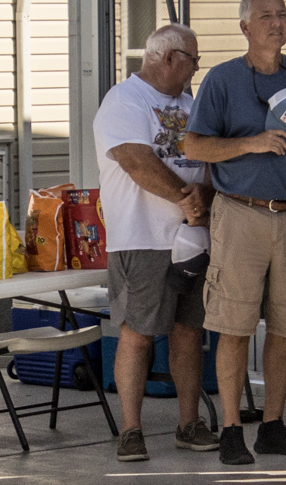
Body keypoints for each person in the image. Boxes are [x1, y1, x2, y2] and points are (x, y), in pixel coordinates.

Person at [182, 0, 286, 467]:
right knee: (233, 325)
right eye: (266, 16)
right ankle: (231, 428)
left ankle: (273, 425)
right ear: (245, 27)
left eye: (282, 14)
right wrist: (250, 144)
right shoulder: (223, 79)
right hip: (241, 214)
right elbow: (193, 146)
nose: (276, 23)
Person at [94, 24, 219, 462]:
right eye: (193, 60)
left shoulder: (190, 104)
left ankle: (190, 422)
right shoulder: (124, 100)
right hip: (142, 238)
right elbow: (136, 160)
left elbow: (208, 156)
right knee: (138, 333)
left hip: (193, 237)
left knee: (189, 332)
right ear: (169, 58)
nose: (196, 68)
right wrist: (187, 199)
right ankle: (131, 430)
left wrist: (204, 193)